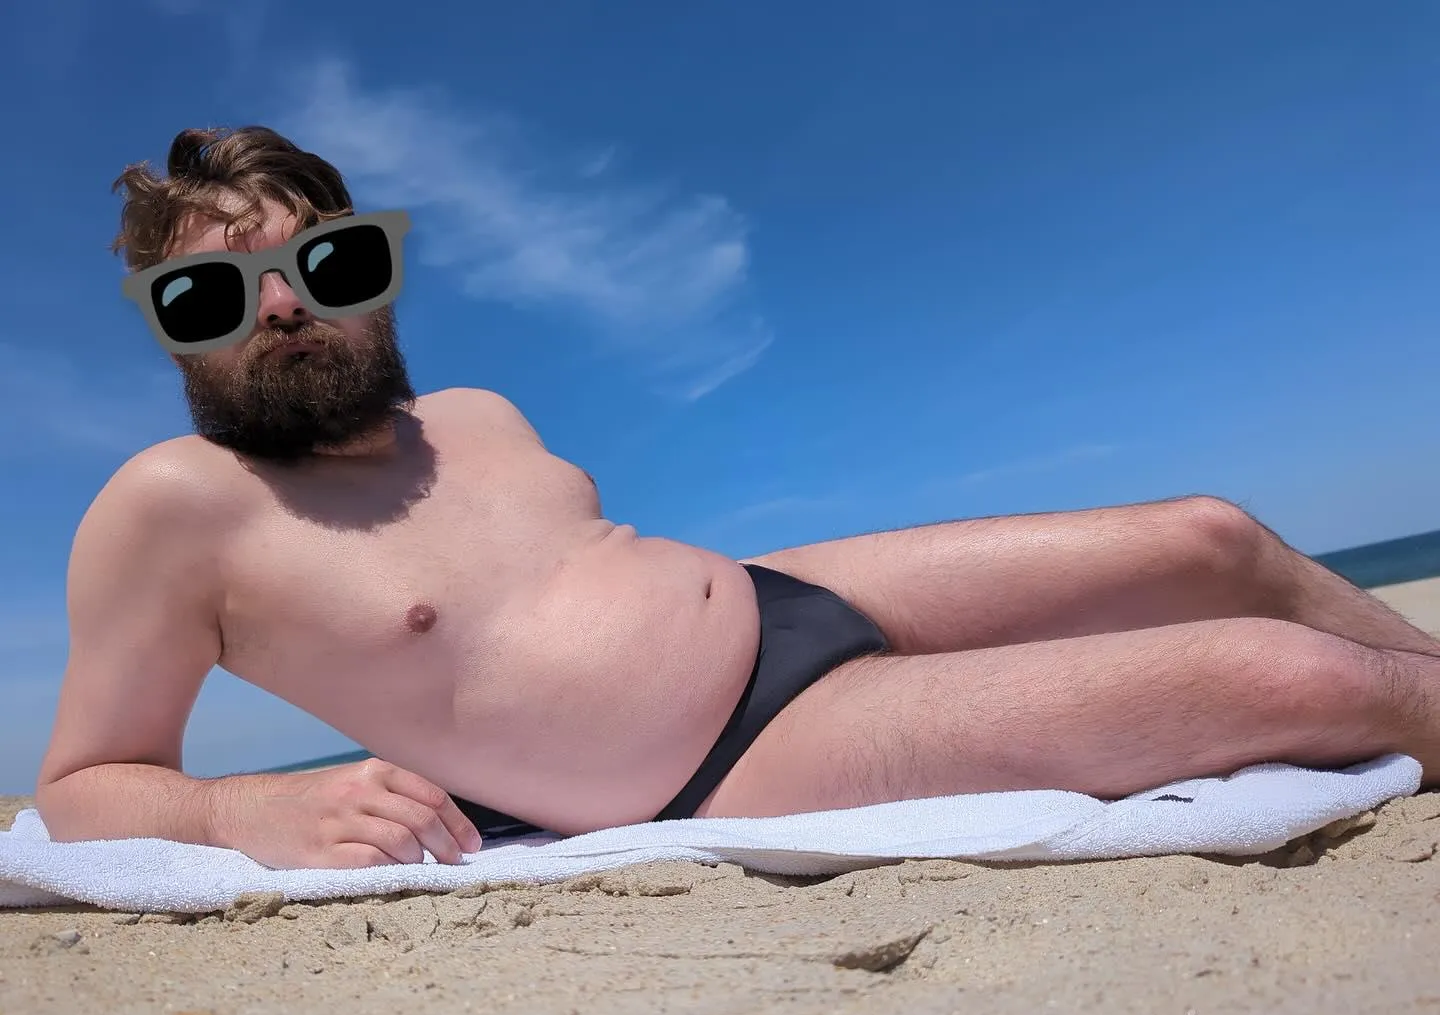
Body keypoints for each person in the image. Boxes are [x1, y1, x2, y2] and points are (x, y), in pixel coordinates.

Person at [33, 126, 1440, 871]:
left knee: (1214, 536)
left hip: (780, 594)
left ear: (376, 276)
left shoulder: (471, 418)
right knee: (1289, 674)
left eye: (322, 268)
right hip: (739, 759)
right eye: (215, 292)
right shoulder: (175, 508)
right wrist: (240, 818)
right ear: (169, 328)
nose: (278, 309)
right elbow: (84, 788)